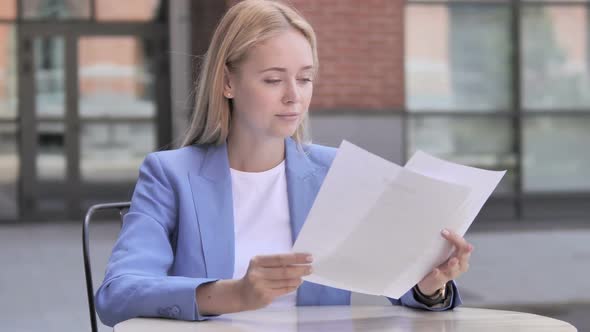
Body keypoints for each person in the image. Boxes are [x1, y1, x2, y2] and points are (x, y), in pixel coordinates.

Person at [95, 0, 474, 327]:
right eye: (274, 80)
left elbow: (396, 284)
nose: (294, 96)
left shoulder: (336, 173)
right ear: (227, 83)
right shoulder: (171, 175)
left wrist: (428, 286)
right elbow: (118, 294)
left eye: (305, 79)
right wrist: (233, 295)